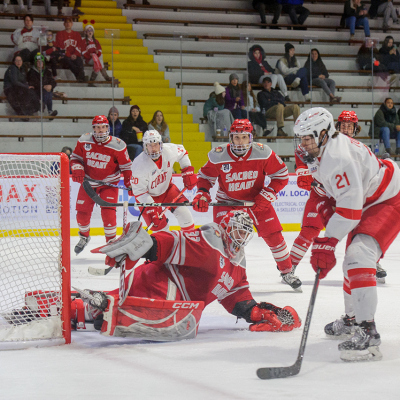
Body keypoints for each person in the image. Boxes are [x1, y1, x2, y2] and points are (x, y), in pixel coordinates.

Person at [68, 212, 301, 338]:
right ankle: (99, 307)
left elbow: (238, 299)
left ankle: (78, 305)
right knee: (132, 313)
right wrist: (146, 245)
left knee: (98, 311)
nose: (241, 237)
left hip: (173, 303)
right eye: (238, 230)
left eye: (246, 233)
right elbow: (175, 242)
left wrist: (257, 312)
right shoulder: (211, 243)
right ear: (227, 228)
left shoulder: (238, 267)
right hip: (160, 284)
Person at [293, 107, 400, 362]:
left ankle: (368, 334)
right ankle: (353, 320)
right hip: (367, 198)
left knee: (358, 257)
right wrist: (323, 204)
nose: (304, 143)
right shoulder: (321, 149)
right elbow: (326, 191)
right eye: (301, 137)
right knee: (350, 265)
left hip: (387, 198)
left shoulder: (340, 157)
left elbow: (351, 212)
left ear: (324, 133)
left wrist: (327, 242)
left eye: (309, 137)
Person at [192, 119, 302, 290]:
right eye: (237, 137)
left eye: (244, 137)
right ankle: (221, 275)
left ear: (251, 137)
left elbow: (281, 175)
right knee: (223, 239)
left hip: (256, 201)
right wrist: (202, 193)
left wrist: (267, 194)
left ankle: (287, 272)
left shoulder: (262, 152)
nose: (240, 142)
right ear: (231, 138)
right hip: (227, 202)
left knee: (274, 236)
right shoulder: (219, 154)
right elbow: (205, 177)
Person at [70, 115, 132, 255]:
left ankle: (111, 243)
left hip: (109, 183)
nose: (100, 131)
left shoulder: (118, 145)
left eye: (103, 127)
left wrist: (129, 182)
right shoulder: (84, 140)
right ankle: (84, 237)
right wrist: (78, 168)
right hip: (88, 183)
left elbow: (127, 167)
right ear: (93, 129)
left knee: (108, 214)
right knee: (81, 214)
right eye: (97, 128)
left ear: (108, 128)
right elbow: (75, 158)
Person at [129, 130, 196, 232]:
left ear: (161, 144)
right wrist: (152, 208)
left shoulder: (169, 150)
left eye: (155, 144)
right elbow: (140, 192)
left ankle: (189, 243)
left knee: (185, 215)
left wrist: (188, 171)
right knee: (161, 231)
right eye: (150, 145)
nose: (153, 148)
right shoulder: (138, 165)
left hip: (168, 190)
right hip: (148, 197)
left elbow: (182, 153)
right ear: (145, 146)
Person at [3, 54, 40, 118]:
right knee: (22, 94)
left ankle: (33, 109)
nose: (18, 62)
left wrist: (27, 86)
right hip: (10, 88)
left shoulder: (21, 70)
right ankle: (24, 113)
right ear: (14, 62)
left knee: (30, 92)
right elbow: (15, 82)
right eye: (17, 60)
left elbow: (23, 81)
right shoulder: (12, 68)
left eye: (20, 60)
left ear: (22, 61)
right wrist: (26, 87)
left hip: (17, 88)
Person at [54, 17, 85, 82]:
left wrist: (75, 54)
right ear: (64, 24)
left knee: (79, 61)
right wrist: (69, 55)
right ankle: (81, 76)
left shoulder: (77, 34)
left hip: (75, 55)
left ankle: (80, 77)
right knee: (67, 60)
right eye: (66, 22)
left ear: (72, 24)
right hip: (65, 56)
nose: (68, 24)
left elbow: (79, 45)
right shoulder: (59, 34)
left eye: (69, 22)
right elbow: (60, 47)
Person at [27, 53, 58, 119]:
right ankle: (48, 110)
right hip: (36, 91)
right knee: (47, 92)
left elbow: (53, 82)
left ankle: (45, 109)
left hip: (45, 91)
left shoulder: (48, 72)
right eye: (37, 62)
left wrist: (51, 86)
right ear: (35, 63)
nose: (39, 63)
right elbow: (32, 83)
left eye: (41, 62)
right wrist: (43, 86)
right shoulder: (31, 72)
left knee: (48, 92)